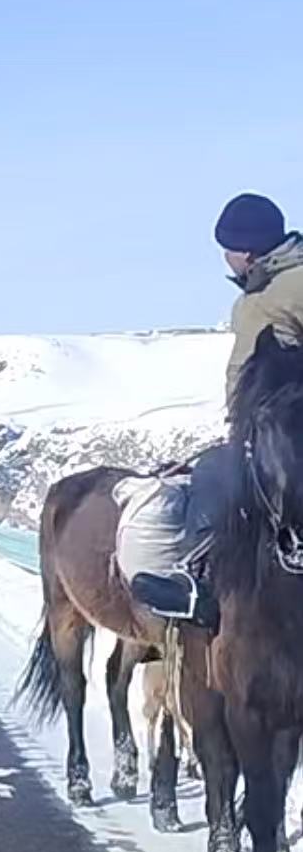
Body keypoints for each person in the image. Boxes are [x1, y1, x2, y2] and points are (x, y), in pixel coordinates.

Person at [130, 194, 303, 625]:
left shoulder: (266, 297)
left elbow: (248, 374)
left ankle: (196, 585)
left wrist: (241, 430)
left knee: (217, 479)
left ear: (244, 251)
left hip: (284, 426)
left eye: (226, 249)